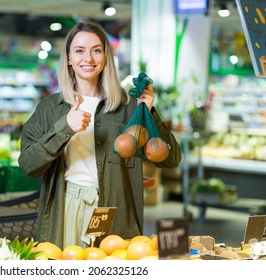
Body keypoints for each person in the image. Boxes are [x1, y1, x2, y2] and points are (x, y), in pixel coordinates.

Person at [18, 21, 182, 249]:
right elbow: (28, 164)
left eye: (96, 50)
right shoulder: (49, 109)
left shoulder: (127, 107)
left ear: (106, 57)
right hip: (66, 209)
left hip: (116, 211)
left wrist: (149, 112)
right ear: (68, 58)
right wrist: (64, 128)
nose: (89, 58)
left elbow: (171, 159)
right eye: (79, 51)